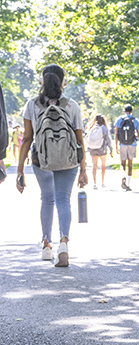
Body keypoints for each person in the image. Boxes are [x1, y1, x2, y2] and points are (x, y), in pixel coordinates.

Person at [14, 65, 89, 266]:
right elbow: (79, 140)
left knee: (47, 199)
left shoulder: (32, 104)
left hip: (41, 158)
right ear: (63, 82)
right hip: (68, 159)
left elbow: (27, 138)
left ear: (42, 81)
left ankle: (46, 245)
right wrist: (83, 169)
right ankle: (64, 242)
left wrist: (20, 170)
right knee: (63, 199)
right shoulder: (72, 105)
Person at [113, 104, 139, 190]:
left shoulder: (119, 120)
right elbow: (138, 135)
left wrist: (116, 146)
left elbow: (116, 134)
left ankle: (123, 175)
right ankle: (128, 185)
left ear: (124, 111)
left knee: (122, 164)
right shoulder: (135, 120)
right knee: (130, 164)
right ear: (131, 111)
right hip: (132, 144)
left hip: (122, 144)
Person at [85, 113, 111, 188]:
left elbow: (87, 138)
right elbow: (108, 139)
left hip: (93, 149)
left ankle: (94, 183)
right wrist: (110, 148)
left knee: (94, 166)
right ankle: (102, 182)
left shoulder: (91, 127)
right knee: (103, 165)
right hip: (102, 149)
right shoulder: (104, 128)